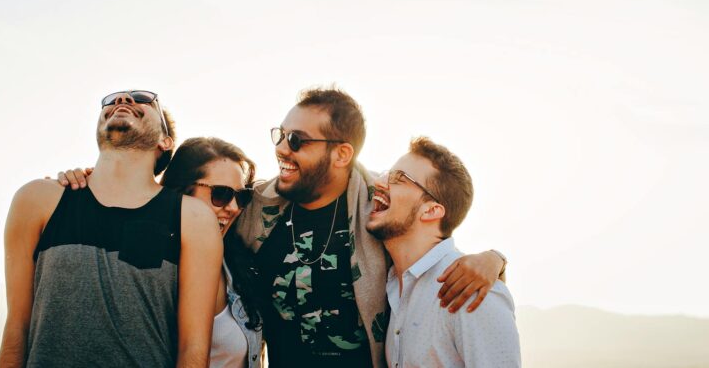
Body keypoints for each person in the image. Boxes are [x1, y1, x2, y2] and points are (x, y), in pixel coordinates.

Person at [235, 87, 508, 368]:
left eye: (295, 140)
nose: (280, 148)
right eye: (280, 135)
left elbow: (432, 235)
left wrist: (493, 259)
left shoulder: (378, 206)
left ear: (342, 154)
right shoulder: (253, 208)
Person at [0, 91, 223, 367]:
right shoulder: (36, 200)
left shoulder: (192, 218)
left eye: (142, 99)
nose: (123, 100)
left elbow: (193, 350)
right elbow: (17, 329)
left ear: (166, 141)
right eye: (112, 100)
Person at [367, 137, 521, 368]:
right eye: (387, 173)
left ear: (431, 211)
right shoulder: (392, 286)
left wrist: (497, 258)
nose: (380, 182)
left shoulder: (473, 292)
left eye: (398, 178)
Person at [160, 137, 264, 368]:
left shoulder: (235, 261)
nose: (235, 207)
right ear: (182, 192)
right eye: (221, 194)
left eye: (242, 196)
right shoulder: (154, 268)